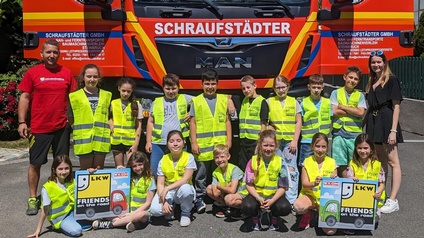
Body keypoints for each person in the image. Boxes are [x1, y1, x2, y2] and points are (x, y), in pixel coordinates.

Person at [18, 39, 77, 215]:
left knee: (63, 164)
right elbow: (25, 97)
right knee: (35, 164)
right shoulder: (33, 73)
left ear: (59, 54)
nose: (52, 55)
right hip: (39, 128)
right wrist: (22, 122)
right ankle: (32, 197)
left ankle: (63, 195)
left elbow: (74, 99)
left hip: (61, 127)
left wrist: (73, 121)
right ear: (41, 54)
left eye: (55, 52)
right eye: (48, 52)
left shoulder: (66, 73)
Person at [364, 50, 403, 214]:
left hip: (387, 122)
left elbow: (396, 106)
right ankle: (382, 194)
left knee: (393, 162)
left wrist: (393, 131)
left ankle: (393, 200)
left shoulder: (391, 80)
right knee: (381, 161)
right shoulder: (372, 80)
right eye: (373, 62)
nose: (376, 65)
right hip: (374, 122)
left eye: (379, 62)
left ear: (385, 63)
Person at [189, 69, 232, 214]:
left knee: (220, 174)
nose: (210, 86)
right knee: (201, 174)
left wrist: (229, 140)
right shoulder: (196, 101)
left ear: (217, 84)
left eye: (213, 83)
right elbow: (193, 123)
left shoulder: (224, 99)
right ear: (202, 84)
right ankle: (199, 197)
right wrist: (194, 142)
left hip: (219, 146)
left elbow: (227, 121)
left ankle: (219, 199)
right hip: (202, 146)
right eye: (207, 83)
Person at [240, 130, 292, 231]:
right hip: (257, 195)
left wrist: (272, 200)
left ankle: (274, 216)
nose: (268, 149)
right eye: (265, 145)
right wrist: (258, 197)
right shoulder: (253, 161)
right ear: (260, 145)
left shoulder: (280, 162)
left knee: (285, 208)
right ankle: (256, 215)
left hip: (274, 195)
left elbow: (283, 186)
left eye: (271, 146)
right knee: (246, 206)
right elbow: (249, 184)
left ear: (276, 146)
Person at [92, 151, 155, 232]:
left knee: (140, 215)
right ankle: (130, 223)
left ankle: (111, 224)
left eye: (140, 164)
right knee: (105, 212)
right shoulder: (129, 176)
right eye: (134, 166)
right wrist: (119, 170)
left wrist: (133, 214)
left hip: (142, 211)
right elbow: (114, 179)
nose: (138, 168)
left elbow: (148, 203)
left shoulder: (150, 179)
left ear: (145, 163)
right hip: (126, 211)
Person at [145, 73, 193, 177]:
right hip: (158, 143)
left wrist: (192, 112)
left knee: (180, 170)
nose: (171, 92)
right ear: (163, 88)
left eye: (173, 88)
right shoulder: (156, 102)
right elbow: (150, 122)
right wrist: (148, 141)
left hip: (179, 143)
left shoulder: (184, 98)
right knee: (155, 170)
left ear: (178, 88)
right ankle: (159, 191)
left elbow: (200, 101)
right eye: (168, 89)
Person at [68, 64, 112, 170]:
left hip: (101, 139)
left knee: (98, 171)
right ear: (83, 77)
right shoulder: (74, 96)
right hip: (84, 139)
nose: (92, 79)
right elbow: (70, 117)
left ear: (99, 78)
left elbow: (110, 117)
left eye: (95, 76)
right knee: (86, 172)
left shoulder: (107, 95)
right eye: (89, 76)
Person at [292, 133, 338, 235]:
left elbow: (335, 187)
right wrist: (314, 183)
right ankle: (308, 213)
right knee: (298, 206)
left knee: (330, 231)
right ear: (312, 146)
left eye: (323, 147)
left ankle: (319, 214)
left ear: (327, 147)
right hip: (310, 196)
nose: (320, 150)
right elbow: (304, 184)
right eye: (317, 146)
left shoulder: (332, 162)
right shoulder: (307, 161)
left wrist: (335, 179)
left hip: (326, 199)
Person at [150, 130, 197, 227]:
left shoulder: (189, 157)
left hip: (181, 189)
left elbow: (185, 180)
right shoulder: (163, 160)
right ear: (167, 144)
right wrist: (164, 201)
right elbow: (160, 184)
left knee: (186, 189)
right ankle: (171, 206)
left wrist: (167, 189)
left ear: (183, 143)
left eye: (178, 140)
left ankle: (185, 213)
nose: (175, 144)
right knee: (155, 211)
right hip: (169, 192)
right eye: (171, 141)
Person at [27, 155, 82, 237]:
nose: (64, 172)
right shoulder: (48, 187)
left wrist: (90, 171)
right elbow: (45, 209)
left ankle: (93, 223)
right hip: (61, 219)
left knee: (94, 214)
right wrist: (38, 229)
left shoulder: (73, 181)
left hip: (74, 212)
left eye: (66, 168)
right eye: (60, 169)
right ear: (54, 170)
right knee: (77, 231)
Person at [267, 75, 301, 205]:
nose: (281, 90)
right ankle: (276, 196)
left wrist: (295, 141)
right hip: (275, 143)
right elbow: (267, 121)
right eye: (278, 88)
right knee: (276, 168)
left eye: (283, 87)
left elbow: (298, 122)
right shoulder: (269, 101)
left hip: (289, 142)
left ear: (288, 86)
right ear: (274, 89)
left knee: (291, 169)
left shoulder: (294, 102)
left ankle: (291, 199)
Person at [330, 66, 366, 178]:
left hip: (354, 134)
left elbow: (361, 113)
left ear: (358, 81)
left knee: (354, 162)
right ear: (345, 77)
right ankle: (343, 185)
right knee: (339, 162)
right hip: (339, 132)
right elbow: (334, 111)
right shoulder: (335, 93)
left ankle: (352, 187)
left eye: (355, 79)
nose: (352, 80)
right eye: (350, 77)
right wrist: (352, 110)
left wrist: (342, 106)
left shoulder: (360, 96)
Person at [346, 133, 385, 233]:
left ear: (371, 149)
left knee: (372, 221)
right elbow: (347, 181)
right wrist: (351, 178)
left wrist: (379, 192)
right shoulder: (352, 163)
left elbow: (382, 183)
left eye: (365, 148)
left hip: (372, 199)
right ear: (355, 148)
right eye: (360, 148)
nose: (362, 151)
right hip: (356, 199)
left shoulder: (377, 165)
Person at [109, 77, 143, 168]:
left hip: (130, 142)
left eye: (128, 91)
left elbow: (139, 126)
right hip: (116, 141)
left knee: (132, 167)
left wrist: (136, 144)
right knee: (119, 167)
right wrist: (111, 124)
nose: (125, 94)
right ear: (119, 88)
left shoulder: (136, 105)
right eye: (123, 91)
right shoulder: (113, 103)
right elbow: (109, 117)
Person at [299, 74, 332, 166]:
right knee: (305, 166)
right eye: (314, 87)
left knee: (323, 166)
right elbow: (299, 122)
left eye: (318, 87)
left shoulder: (328, 103)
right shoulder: (303, 103)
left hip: (323, 141)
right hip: (307, 141)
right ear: (309, 87)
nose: (316, 90)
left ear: (323, 87)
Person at [238, 75, 268, 171]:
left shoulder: (262, 102)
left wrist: (260, 143)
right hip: (244, 141)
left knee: (254, 167)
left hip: (254, 141)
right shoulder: (244, 101)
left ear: (254, 86)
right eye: (243, 88)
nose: (246, 90)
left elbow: (263, 124)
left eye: (248, 87)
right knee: (243, 167)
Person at [206, 144, 244, 218]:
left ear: (228, 156)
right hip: (228, 192)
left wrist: (219, 186)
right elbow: (216, 194)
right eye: (217, 157)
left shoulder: (234, 169)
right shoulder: (215, 172)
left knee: (228, 199)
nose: (220, 160)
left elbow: (232, 190)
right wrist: (226, 187)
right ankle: (226, 205)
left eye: (222, 157)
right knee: (209, 188)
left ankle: (241, 209)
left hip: (242, 193)